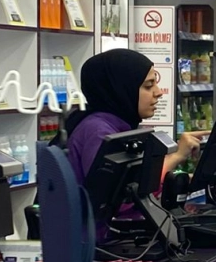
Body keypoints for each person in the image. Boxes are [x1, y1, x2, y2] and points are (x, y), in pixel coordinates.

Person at [63, 48, 201, 184]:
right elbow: (119, 193)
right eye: (148, 86)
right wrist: (177, 156)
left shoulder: (120, 126)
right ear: (121, 90)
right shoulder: (98, 132)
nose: (158, 92)